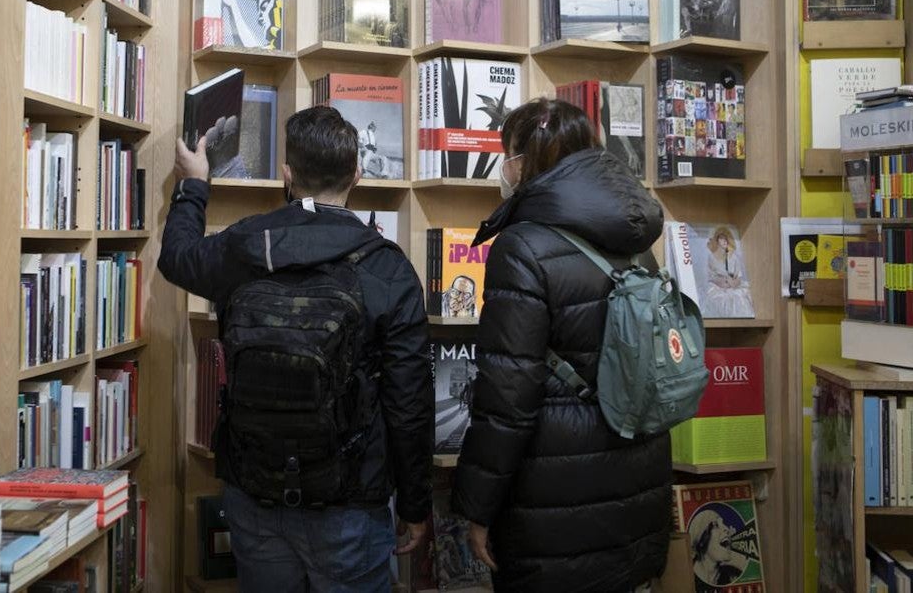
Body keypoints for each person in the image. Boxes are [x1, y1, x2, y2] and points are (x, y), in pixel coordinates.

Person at [159, 105, 433, 592]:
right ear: (358, 171)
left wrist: (194, 184)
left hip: (254, 493)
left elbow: (177, 258)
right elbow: (409, 404)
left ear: (287, 174)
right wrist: (415, 507)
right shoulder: (388, 268)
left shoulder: (242, 244)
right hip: (350, 504)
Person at [451, 98, 671, 593]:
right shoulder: (636, 239)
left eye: (506, 154)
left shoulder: (523, 246)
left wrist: (477, 508)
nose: (501, 169)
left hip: (552, 504)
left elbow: (507, 399)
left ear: (525, 162)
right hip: (638, 482)